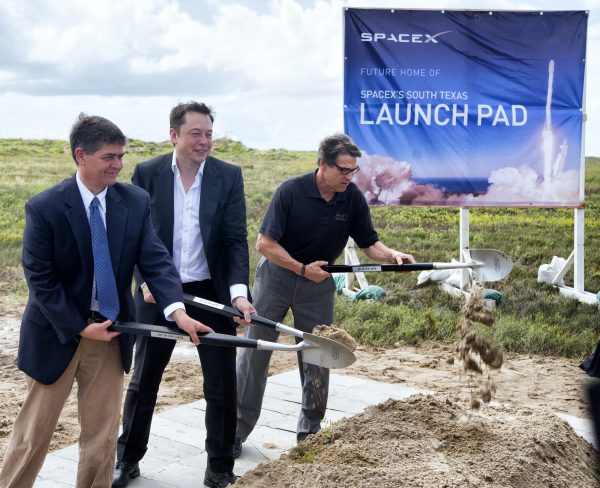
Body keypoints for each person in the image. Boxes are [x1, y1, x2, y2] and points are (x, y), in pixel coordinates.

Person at [0, 114, 211, 488]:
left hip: (112, 334)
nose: (118, 165)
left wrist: (176, 311)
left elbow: (156, 260)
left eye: (121, 156)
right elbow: (41, 280)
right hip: (58, 333)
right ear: (81, 155)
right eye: (109, 157)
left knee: (101, 440)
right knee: (33, 436)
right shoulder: (45, 207)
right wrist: (79, 326)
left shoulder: (133, 200)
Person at [234, 133, 415, 456]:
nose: (349, 177)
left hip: (319, 284)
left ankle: (310, 433)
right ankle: (234, 432)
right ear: (322, 164)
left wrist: (393, 256)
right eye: (344, 170)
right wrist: (301, 268)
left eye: (353, 171)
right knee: (254, 353)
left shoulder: (352, 198)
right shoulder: (292, 191)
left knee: (318, 354)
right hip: (277, 276)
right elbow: (264, 244)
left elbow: (369, 244)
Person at [113, 102, 254, 488]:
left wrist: (238, 295)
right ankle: (127, 460)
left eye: (209, 133)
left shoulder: (228, 175)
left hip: (211, 290)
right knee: (144, 378)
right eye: (196, 133)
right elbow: (134, 235)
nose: (204, 141)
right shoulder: (148, 173)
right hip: (157, 289)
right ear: (174, 134)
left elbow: (234, 241)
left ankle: (220, 467)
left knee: (221, 383)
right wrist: (144, 279)